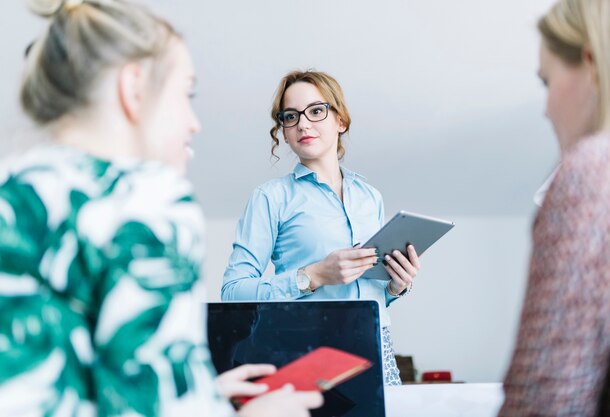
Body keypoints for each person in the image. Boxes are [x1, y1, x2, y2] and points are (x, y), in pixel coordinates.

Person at [0, 1, 322, 416]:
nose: (194, 122)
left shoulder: (14, 190)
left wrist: (204, 392)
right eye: (186, 94)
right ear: (133, 88)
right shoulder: (145, 199)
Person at [221, 70, 420, 386]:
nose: (302, 123)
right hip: (306, 354)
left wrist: (396, 286)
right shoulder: (270, 198)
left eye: (316, 111)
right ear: (284, 132)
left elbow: (373, 290)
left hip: (375, 355)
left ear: (340, 121)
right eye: (291, 116)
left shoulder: (371, 198)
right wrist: (313, 276)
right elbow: (233, 294)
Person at [499, 0, 610, 415]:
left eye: (547, 81)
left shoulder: (597, 171)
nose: (546, 107)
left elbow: (546, 398)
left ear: (592, 64)